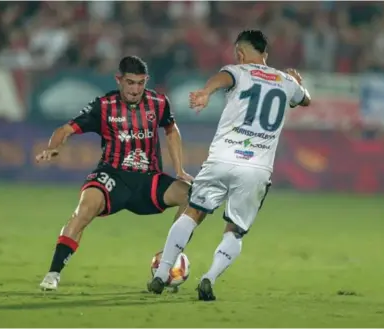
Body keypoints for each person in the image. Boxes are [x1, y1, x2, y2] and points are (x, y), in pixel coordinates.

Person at [147, 30, 311, 301]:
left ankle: (161, 274)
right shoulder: (285, 80)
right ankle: (209, 278)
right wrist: (296, 82)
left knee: (192, 214)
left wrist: (206, 91)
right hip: (256, 169)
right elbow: (305, 100)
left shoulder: (238, 70)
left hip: (222, 159)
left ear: (240, 54)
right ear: (265, 55)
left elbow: (225, 78)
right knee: (235, 229)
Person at [37, 56, 193, 291]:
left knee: (192, 197)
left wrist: (180, 170)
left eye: (141, 83)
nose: (135, 89)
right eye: (130, 83)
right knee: (84, 209)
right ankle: (53, 273)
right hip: (113, 177)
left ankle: (167, 260)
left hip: (148, 180)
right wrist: (53, 148)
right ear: (118, 80)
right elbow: (65, 129)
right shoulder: (103, 106)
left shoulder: (159, 103)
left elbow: (171, 129)